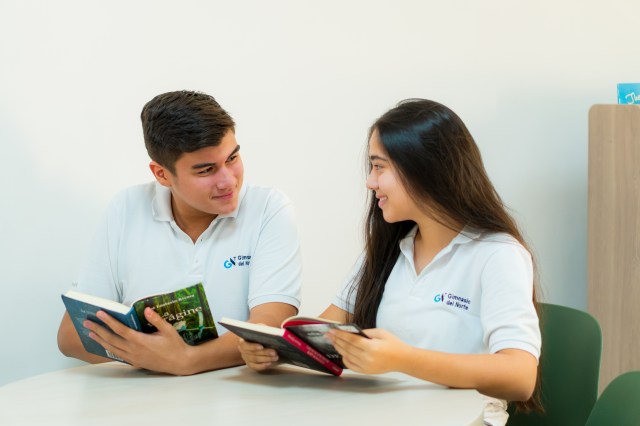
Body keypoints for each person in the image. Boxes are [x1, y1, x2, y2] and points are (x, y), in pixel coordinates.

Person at [238, 99, 541, 425]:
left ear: (424, 169)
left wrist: (403, 359)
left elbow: (520, 376)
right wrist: (273, 349)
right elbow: (323, 329)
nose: (370, 182)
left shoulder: (497, 254)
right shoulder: (390, 248)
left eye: (379, 167)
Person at [57, 90, 302, 375]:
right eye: (206, 170)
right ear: (161, 174)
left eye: (232, 158)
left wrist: (186, 360)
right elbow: (71, 336)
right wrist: (152, 357)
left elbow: (268, 327)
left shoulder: (268, 208)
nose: (227, 181)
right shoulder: (126, 208)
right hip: (144, 403)